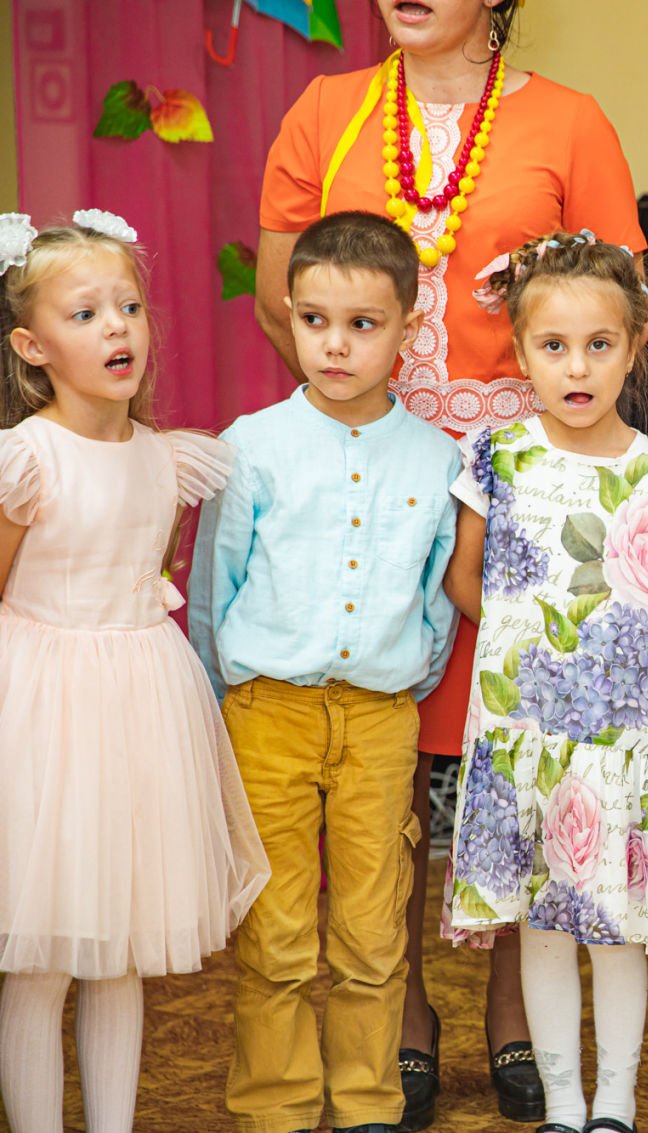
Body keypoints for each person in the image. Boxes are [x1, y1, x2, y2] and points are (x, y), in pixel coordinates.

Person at [257, 5, 646, 1118]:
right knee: (386, 759)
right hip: (375, 490)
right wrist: (369, 428)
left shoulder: (572, 123)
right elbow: (282, 301)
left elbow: (613, 305)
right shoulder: (325, 110)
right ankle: (404, 1010)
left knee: (518, 751)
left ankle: (513, 1007)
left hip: (526, 497)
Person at [190, 211, 460, 1133]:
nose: (335, 345)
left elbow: (436, 597)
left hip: (381, 719)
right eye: (314, 321)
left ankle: (368, 1103)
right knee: (274, 929)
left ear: (407, 327)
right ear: (292, 315)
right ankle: (275, 1105)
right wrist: (221, 703)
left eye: (362, 324)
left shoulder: (436, 460)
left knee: (374, 928)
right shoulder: (253, 444)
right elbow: (214, 585)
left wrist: (404, 678)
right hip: (266, 712)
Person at [441, 230, 648, 1133]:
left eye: (599, 344)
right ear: (520, 351)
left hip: (622, 741)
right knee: (545, 924)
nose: (577, 366)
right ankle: (563, 1102)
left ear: (635, 345)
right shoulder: (496, 457)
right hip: (526, 735)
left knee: (619, 924)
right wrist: (530, 653)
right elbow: (466, 579)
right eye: (553, 345)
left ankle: (615, 1102)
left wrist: (610, 675)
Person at [0, 210, 269, 1133]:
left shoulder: (166, 460)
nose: (117, 327)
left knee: (119, 950)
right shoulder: (26, 459)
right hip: (40, 707)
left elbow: (145, 575)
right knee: (40, 959)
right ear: (33, 347)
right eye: (84, 314)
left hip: (142, 704)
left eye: (129, 306)